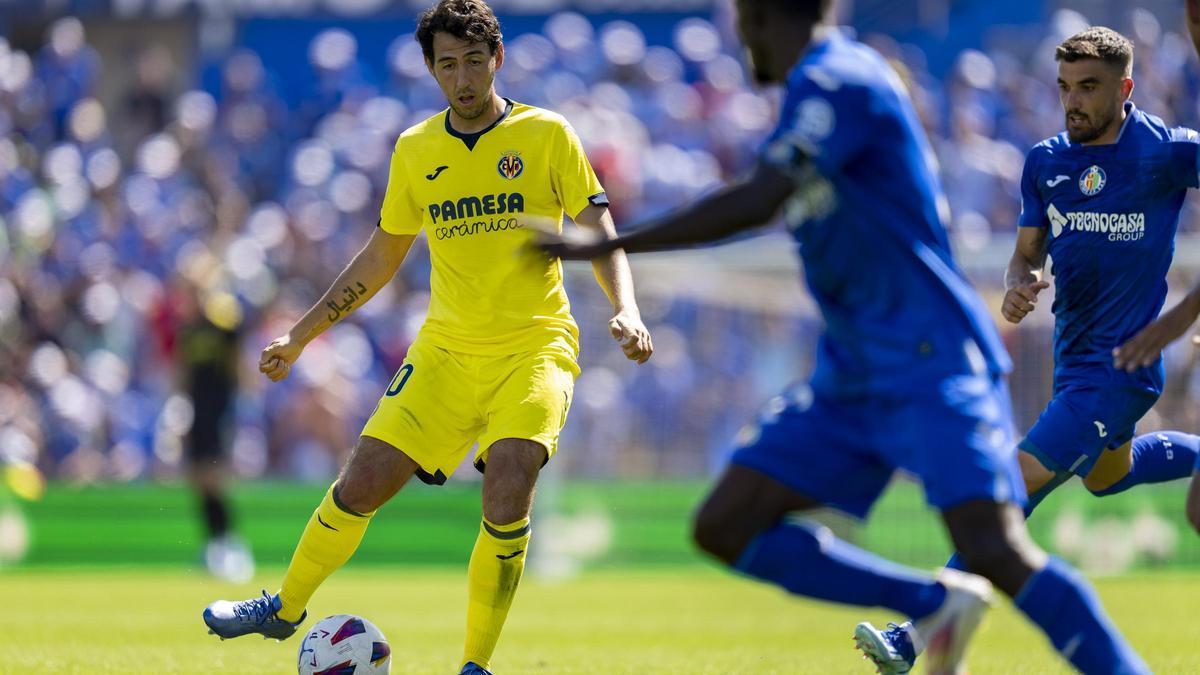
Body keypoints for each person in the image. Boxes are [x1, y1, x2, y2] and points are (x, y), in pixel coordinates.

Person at [538, 1, 1148, 674]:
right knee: (725, 523)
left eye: (742, 21)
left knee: (994, 542)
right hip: (853, 375)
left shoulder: (841, 78)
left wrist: (610, 240)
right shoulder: (813, 90)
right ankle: (932, 602)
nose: (740, 40)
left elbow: (762, 196)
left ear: (761, 17)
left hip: (927, 357)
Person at [202, 2, 653, 673]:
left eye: (475, 61)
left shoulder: (547, 135)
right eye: (448, 64)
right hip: (444, 352)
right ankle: (285, 605)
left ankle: (474, 664)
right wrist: (299, 337)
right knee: (363, 481)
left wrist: (629, 308)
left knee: (509, 478)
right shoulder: (416, 150)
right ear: (432, 70)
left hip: (535, 347)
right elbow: (381, 257)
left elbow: (600, 231)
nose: (463, 77)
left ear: (497, 59)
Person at [175, 281, 254, 583]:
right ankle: (213, 544)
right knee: (198, 478)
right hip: (197, 411)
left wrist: (242, 408)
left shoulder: (223, 328)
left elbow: (238, 367)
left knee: (213, 477)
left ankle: (229, 544)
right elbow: (182, 371)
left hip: (220, 409)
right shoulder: (188, 331)